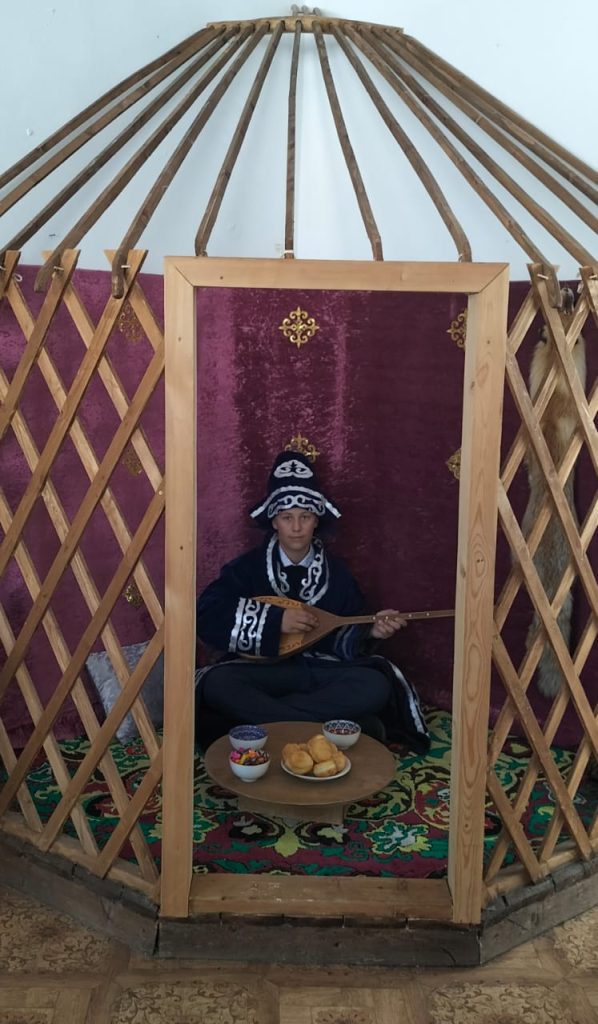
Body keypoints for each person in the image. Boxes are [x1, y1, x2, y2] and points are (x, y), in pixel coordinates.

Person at [194, 451, 430, 754]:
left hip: (319, 670)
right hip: (264, 671)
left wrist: (371, 630)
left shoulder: (338, 573)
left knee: (374, 685)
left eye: (304, 517)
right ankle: (334, 728)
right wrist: (275, 621)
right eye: (287, 518)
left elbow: (346, 630)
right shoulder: (246, 568)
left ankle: (263, 724)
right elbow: (208, 614)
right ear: (274, 521)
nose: (296, 527)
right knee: (219, 684)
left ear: (316, 520)